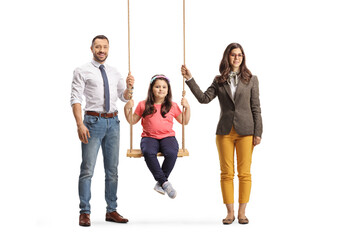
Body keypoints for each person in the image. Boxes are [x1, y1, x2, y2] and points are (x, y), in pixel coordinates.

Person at [181, 42, 262, 224]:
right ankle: (230, 212)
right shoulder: (219, 80)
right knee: (226, 173)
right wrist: (189, 79)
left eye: (239, 55)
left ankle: (242, 212)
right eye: (233, 54)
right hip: (224, 132)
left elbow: (256, 107)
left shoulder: (252, 79)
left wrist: (258, 132)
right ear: (227, 57)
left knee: (244, 173)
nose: (236, 58)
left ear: (243, 57)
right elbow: (204, 98)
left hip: (247, 131)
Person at [71, 35, 134, 227]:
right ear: (91, 48)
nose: (102, 50)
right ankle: (85, 212)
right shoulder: (82, 70)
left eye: (105, 47)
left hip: (113, 122)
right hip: (92, 122)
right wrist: (80, 124)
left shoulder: (115, 72)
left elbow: (124, 97)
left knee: (112, 170)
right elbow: (75, 98)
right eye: (98, 47)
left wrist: (130, 88)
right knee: (87, 170)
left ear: (108, 49)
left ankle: (111, 210)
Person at [124, 74, 190, 199]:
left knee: (171, 152)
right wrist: (126, 109)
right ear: (151, 89)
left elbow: (184, 121)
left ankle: (161, 183)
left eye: (164, 87)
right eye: (157, 87)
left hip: (168, 137)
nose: (161, 89)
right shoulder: (143, 105)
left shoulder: (173, 105)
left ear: (168, 90)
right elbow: (132, 121)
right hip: (149, 137)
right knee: (148, 152)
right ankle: (164, 182)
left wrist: (187, 107)